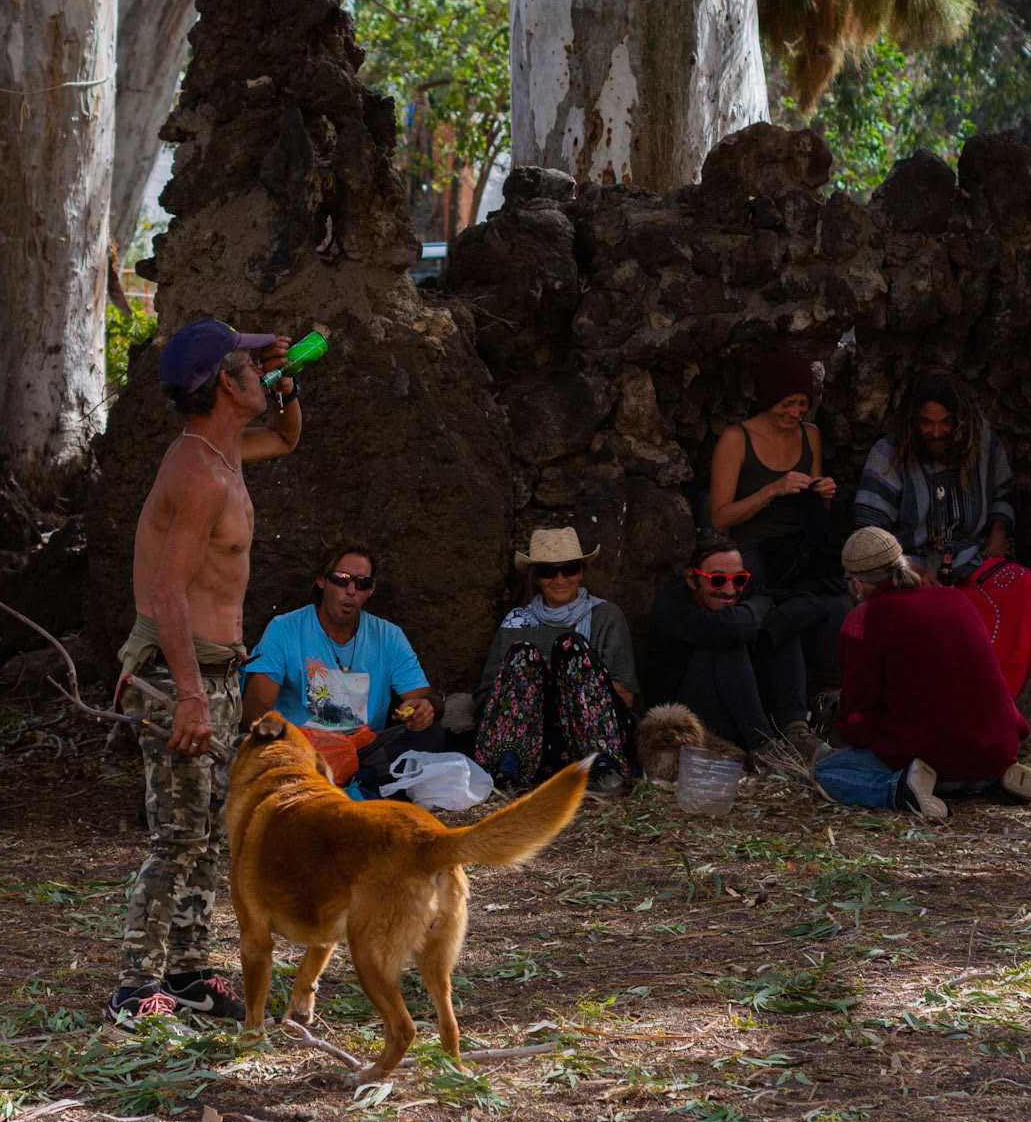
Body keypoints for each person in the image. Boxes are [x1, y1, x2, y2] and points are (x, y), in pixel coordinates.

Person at [109, 317, 302, 1022]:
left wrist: (287, 383)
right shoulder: (195, 472)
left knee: (211, 830)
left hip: (217, 672)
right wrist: (189, 695)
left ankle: (188, 972)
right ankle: (136, 985)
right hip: (176, 674)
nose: (263, 370)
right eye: (251, 365)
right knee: (178, 835)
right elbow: (167, 592)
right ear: (226, 382)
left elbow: (284, 436)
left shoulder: (223, 454)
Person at [814, 527, 1031, 821]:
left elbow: (860, 723)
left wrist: (843, 736)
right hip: (998, 751)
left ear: (856, 584)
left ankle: (899, 788)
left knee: (825, 772)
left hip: (931, 763)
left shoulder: (863, 619)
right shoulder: (954, 599)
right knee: (963, 751)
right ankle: (1002, 779)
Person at [854, 371, 1031, 698]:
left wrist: (998, 535)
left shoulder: (983, 439)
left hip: (972, 559)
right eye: (926, 422)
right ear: (911, 420)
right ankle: (949, 711)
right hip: (912, 567)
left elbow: (1004, 493)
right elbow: (868, 533)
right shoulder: (888, 453)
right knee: (938, 619)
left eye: (946, 422)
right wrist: (910, 568)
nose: (937, 432)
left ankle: (998, 703)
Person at [242, 542, 442, 797]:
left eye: (361, 583)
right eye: (341, 579)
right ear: (321, 581)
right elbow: (253, 714)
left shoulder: (388, 636)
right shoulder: (285, 629)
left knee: (432, 733)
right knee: (264, 747)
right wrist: (298, 744)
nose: (350, 591)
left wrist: (425, 709)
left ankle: (346, 780)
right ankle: (347, 782)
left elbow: (426, 696)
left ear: (371, 590)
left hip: (362, 751)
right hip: (301, 751)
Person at [709, 349, 850, 697]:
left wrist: (825, 496)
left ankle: (829, 699)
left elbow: (817, 515)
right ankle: (787, 704)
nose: (795, 412)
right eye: (787, 403)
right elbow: (719, 517)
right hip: (754, 549)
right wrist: (771, 490)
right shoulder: (736, 439)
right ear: (768, 398)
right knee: (782, 608)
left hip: (800, 548)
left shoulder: (810, 435)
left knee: (840, 604)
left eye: (802, 404)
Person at [473, 527, 636, 798]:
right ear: (536, 577)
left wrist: (570, 680)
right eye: (548, 572)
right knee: (523, 655)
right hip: (527, 732)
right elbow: (487, 694)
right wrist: (532, 682)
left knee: (571, 649)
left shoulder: (606, 616)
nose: (559, 579)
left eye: (569, 569)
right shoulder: (516, 621)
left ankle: (600, 765)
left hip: (582, 729)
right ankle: (509, 768)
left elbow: (626, 696)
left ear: (581, 572)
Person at [641, 532, 821, 771]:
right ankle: (765, 748)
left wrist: (767, 625)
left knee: (784, 626)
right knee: (725, 641)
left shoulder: (741, 592)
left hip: (740, 706)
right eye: (717, 580)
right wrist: (763, 604)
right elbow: (731, 629)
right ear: (692, 580)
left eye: (739, 579)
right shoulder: (671, 606)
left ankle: (796, 731)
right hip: (688, 723)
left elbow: (813, 605)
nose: (729, 590)